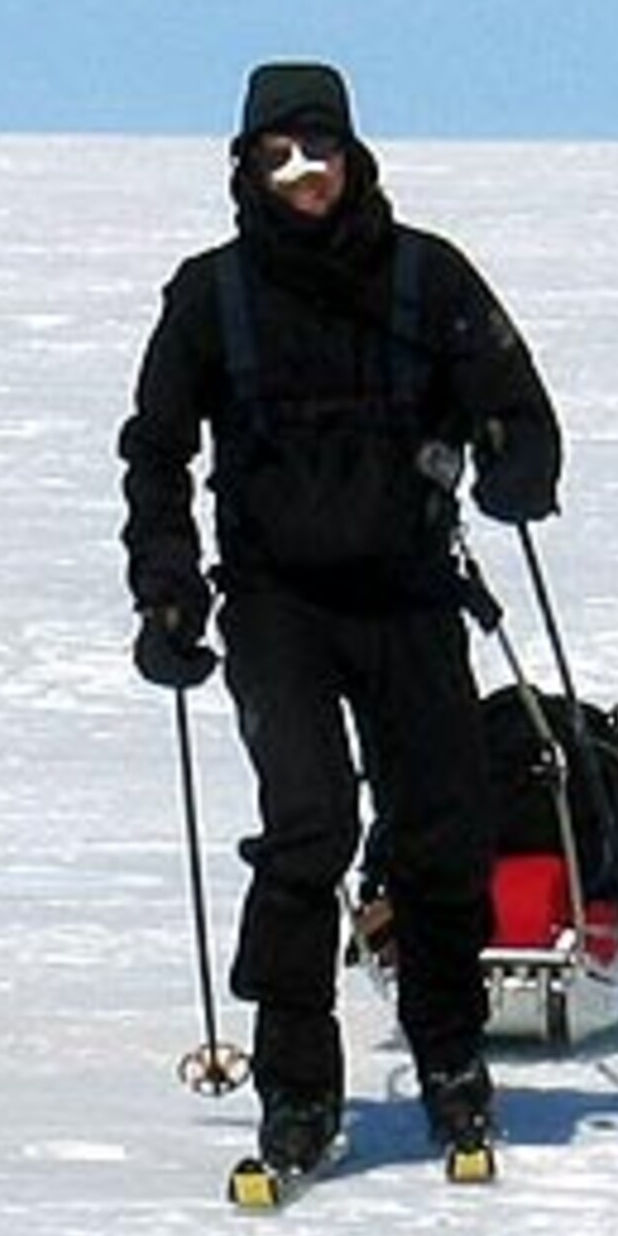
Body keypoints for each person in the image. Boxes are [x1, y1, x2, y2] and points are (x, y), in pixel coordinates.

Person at [118, 61, 561, 1173]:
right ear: (246, 170)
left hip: (412, 594)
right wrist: (166, 584)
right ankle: (298, 1084)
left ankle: (452, 1058)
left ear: (355, 158)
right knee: (308, 828)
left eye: (320, 151)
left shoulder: (432, 276)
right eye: (278, 156)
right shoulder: (209, 296)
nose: (302, 174)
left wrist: (517, 468)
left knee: (441, 831)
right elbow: (156, 451)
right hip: (279, 604)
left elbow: (517, 405)